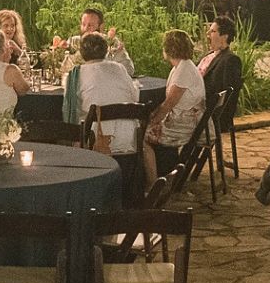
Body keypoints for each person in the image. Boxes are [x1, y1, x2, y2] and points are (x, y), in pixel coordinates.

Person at [143, 30, 206, 185]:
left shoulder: (183, 71)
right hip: (186, 120)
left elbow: (168, 104)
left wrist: (152, 121)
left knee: (141, 137)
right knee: (147, 125)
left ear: (169, 49)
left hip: (183, 125)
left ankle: (153, 184)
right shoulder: (183, 67)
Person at [68, 31, 143, 153]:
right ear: (105, 50)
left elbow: (73, 108)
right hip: (129, 139)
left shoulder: (77, 75)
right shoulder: (119, 68)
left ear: (81, 53)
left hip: (96, 140)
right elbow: (135, 98)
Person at [197, 18, 244, 116]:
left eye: (213, 31)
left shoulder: (230, 60)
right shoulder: (208, 55)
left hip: (206, 111)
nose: (207, 33)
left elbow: (228, 97)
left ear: (224, 37)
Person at [77, 7, 134, 73]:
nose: (85, 28)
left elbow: (128, 69)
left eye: (90, 25)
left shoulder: (112, 42)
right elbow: (66, 70)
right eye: (83, 24)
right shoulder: (74, 42)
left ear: (101, 27)